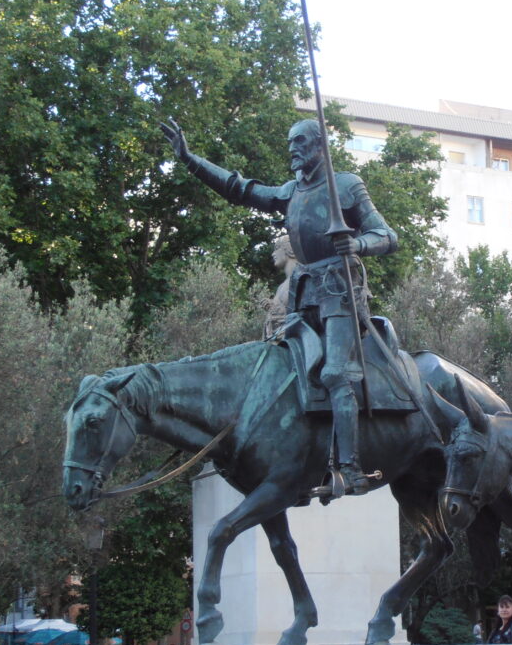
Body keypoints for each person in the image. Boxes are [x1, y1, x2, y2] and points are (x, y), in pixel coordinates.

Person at [160, 118, 398, 497]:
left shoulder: (347, 186)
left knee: (337, 374)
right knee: (279, 372)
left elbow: (387, 235)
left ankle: (350, 469)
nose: (292, 149)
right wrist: (190, 160)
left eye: (300, 141)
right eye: (290, 142)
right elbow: (240, 189)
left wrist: (358, 245)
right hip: (304, 295)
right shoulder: (291, 192)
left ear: (321, 145)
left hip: (339, 291)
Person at [262, 234, 298, 340]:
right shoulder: (281, 287)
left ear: (290, 250)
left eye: (277, 248)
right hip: (277, 339)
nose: (273, 254)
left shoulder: (302, 278)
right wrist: (271, 307)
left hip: (293, 339)